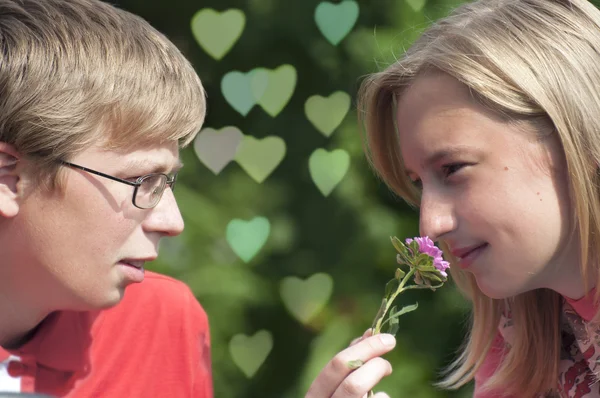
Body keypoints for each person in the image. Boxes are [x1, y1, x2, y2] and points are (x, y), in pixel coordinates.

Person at [306, 0, 600, 396]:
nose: (430, 225)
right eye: (418, 184)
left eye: (453, 169)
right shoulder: (524, 342)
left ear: (572, 136)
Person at [0, 0, 212, 396]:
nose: (172, 222)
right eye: (140, 180)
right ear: (8, 177)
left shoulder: (161, 323)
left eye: (167, 182)